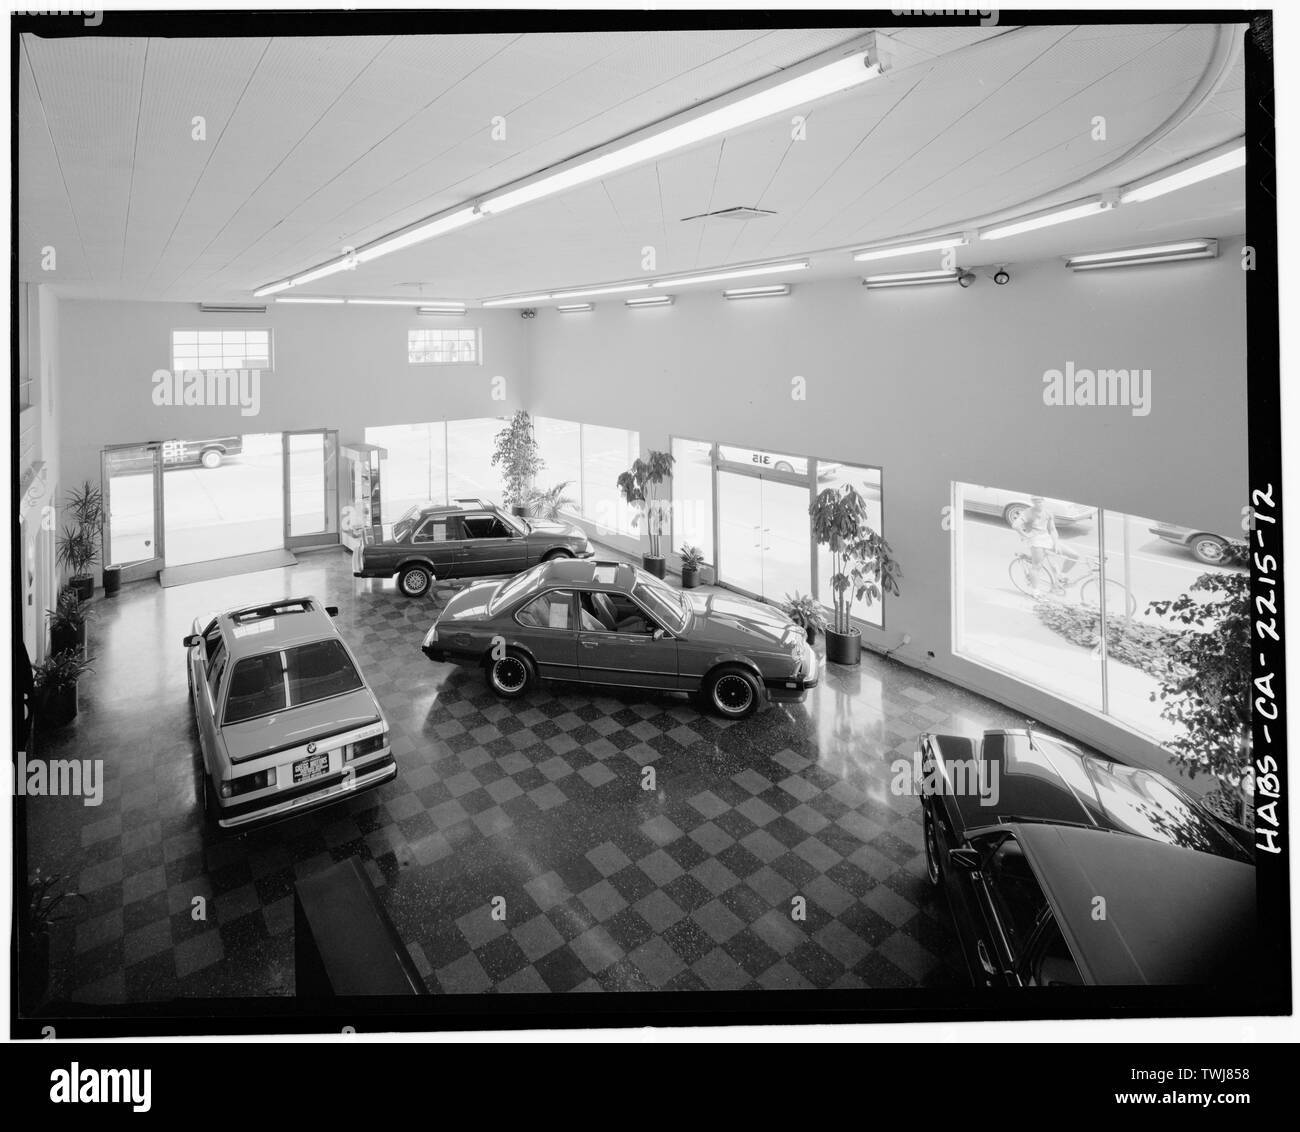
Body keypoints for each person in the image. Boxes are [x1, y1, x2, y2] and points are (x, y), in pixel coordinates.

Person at [1014, 496, 1081, 594]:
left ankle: (1060, 578)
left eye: (1040, 501)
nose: (1038, 503)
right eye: (1036, 501)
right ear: (1032, 501)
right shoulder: (1028, 513)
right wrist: (1025, 535)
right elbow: (1015, 525)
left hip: (1047, 539)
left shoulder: (1048, 512)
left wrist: (1056, 543)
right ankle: (1035, 591)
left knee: (1074, 555)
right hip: (1036, 540)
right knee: (1037, 566)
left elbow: (1052, 529)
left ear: (1043, 500)